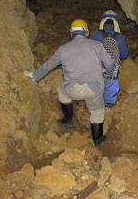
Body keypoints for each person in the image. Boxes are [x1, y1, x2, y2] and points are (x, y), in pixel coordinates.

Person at [24, 19, 114, 148]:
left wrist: (35, 76)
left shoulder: (63, 49)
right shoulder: (97, 45)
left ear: (71, 34)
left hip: (73, 90)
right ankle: (98, 140)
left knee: (62, 90)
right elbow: (110, 64)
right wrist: (107, 73)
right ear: (87, 33)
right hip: (94, 88)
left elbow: (49, 65)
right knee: (97, 112)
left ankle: (67, 119)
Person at [89, 10, 129, 107]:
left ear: (103, 21)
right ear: (115, 23)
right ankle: (108, 105)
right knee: (111, 86)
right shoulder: (119, 37)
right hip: (112, 72)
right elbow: (124, 55)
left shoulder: (95, 34)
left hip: (97, 71)